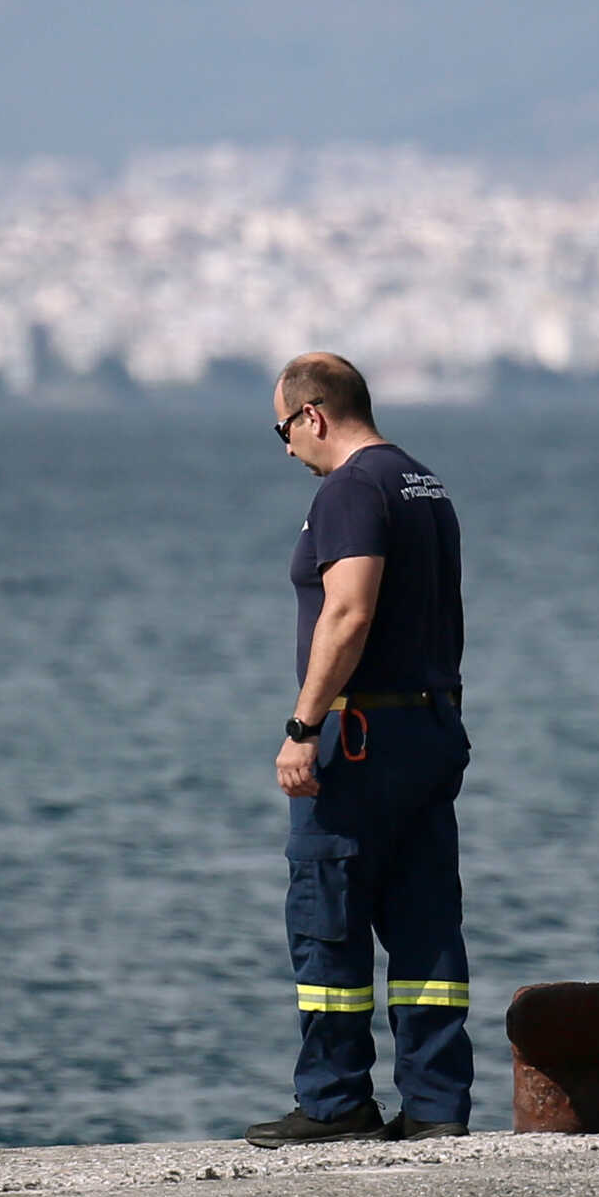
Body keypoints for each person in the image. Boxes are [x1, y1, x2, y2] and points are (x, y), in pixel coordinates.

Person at [245, 352, 474, 1146]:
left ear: (313, 415)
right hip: (431, 722)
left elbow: (348, 611)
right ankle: (438, 1106)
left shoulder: (350, 489)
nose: (285, 450)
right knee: (425, 920)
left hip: (362, 733)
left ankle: (338, 1100)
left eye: (284, 429)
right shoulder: (424, 484)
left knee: (329, 910)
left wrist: (304, 728)